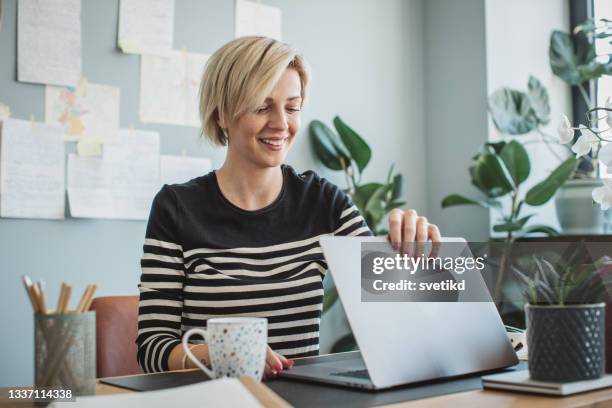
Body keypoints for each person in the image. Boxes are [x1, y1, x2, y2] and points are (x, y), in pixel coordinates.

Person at [136, 36, 441, 380]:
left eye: (292, 107)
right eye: (262, 107)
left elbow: (402, 310)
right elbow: (152, 347)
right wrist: (216, 353)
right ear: (222, 113)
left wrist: (412, 250)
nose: (281, 123)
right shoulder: (176, 208)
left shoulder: (324, 203)